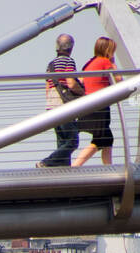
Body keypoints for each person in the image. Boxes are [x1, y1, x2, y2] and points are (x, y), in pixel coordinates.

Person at [38, 35, 84, 168]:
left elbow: (48, 87)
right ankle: (46, 162)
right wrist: (83, 93)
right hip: (63, 106)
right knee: (72, 141)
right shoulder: (69, 62)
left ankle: (63, 170)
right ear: (71, 47)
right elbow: (70, 82)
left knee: (62, 141)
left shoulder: (51, 64)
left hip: (51, 106)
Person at [73, 37, 118, 167]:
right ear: (107, 50)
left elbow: (82, 81)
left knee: (107, 138)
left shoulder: (89, 63)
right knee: (100, 139)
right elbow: (119, 80)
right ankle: (75, 166)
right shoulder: (105, 62)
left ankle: (109, 167)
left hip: (88, 105)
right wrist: (114, 65)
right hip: (99, 106)